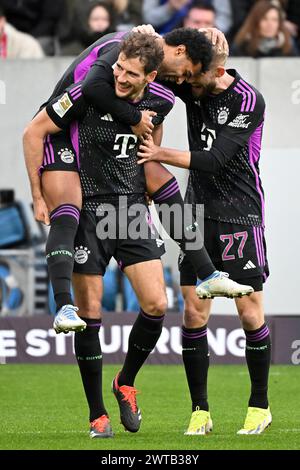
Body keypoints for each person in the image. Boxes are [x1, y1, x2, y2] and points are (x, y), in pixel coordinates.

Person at [24, 27, 253, 335]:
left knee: (158, 174)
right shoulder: (123, 53)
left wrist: (148, 149)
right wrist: (38, 197)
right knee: (68, 205)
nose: (183, 80)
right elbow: (92, 87)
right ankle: (64, 305)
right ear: (179, 52)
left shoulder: (160, 85)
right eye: (185, 73)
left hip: (104, 142)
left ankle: (208, 273)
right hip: (63, 128)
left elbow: (153, 119)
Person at [24, 33, 175, 438]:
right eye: (119, 69)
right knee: (90, 315)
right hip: (88, 207)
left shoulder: (159, 100)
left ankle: (125, 381)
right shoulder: (86, 91)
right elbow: (33, 131)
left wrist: (148, 170)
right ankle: (97, 414)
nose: (121, 79)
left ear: (152, 76)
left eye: (132, 74)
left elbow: (152, 139)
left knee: (157, 304)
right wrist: (38, 194)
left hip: (127, 210)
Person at [137, 46, 272, 435]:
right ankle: (200, 411)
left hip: (240, 214)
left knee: (248, 311)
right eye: (183, 75)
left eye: (192, 75)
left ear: (215, 69)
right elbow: (158, 67)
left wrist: (158, 152)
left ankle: (259, 405)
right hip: (195, 213)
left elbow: (214, 159)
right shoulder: (191, 83)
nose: (184, 82)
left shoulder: (247, 99)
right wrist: (170, 43)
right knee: (193, 313)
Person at [232, 0, 299, 57]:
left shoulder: (288, 47)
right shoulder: (242, 47)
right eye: (264, 19)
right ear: (255, 22)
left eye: (274, 20)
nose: (270, 24)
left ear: (279, 24)